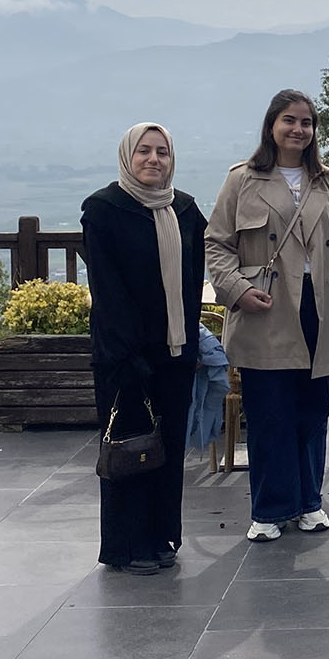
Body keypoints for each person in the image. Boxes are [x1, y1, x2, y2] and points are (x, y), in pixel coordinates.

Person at [205, 88, 329, 542]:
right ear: (272, 125)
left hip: (322, 309)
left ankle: (310, 501)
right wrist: (237, 289)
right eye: (289, 120)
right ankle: (270, 509)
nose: (298, 129)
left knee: (312, 412)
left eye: (307, 122)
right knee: (269, 411)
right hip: (265, 308)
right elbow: (217, 243)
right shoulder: (242, 180)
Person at [82, 123, 206, 574]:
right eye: (144, 151)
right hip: (124, 356)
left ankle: (162, 537)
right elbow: (108, 289)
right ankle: (127, 545)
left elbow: (192, 284)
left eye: (162, 152)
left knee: (168, 449)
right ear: (127, 157)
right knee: (127, 446)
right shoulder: (103, 209)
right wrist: (129, 354)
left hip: (174, 353)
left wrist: (189, 346)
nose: (154, 159)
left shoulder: (187, 210)